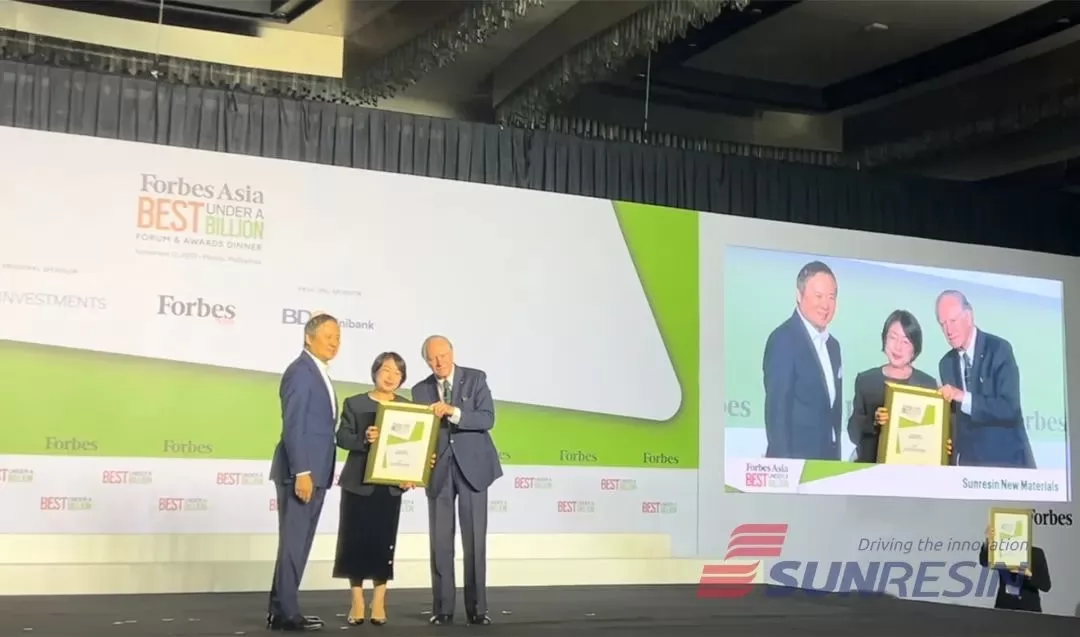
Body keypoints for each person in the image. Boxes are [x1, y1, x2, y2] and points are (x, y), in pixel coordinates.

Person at [412, 335, 502, 625]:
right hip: (439, 470)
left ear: (452, 353)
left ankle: (477, 609)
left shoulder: (476, 379)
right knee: (440, 542)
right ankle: (442, 608)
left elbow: (487, 418)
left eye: (443, 355)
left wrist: (454, 412)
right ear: (426, 361)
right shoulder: (420, 390)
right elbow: (419, 433)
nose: (439, 362)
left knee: (474, 541)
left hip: (473, 468)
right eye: (432, 358)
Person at [267, 313, 341, 632]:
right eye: (328, 336)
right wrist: (302, 471)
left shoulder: (318, 371)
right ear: (309, 338)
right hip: (302, 472)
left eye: (337, 337)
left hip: (317, 471)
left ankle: (282, 609)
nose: (334, 343)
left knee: (299, 543)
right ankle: (286, 612)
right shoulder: (300, 372)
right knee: (294, 543)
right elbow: (294, 425)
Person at [333, 352, 414, 627]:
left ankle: (379, 601)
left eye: (397, 373)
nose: (391, 377)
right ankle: (357, 600)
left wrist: (411, 474)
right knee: (354, 543)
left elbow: (413, 447)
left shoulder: (408, 408)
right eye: (386, 370)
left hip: (390, 485)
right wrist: (364, 438)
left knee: (383, 543)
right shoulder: (355, 403)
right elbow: (342, 437)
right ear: (375, 371)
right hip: (358, 484)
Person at [935, 290, 1035, 468]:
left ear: (969, 316)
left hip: (1008, 465)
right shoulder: (946, 363)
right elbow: (955, 419)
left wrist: (962, 397)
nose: (948, 330)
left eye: (953, 321)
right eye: (943, 324)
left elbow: (1009, 408)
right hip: (969, 468)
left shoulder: (999, 349)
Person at [762, 261, 843, 460]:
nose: (826, 305)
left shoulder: (833, 346)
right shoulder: (783, 339)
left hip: (826, 466)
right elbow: (777, 413)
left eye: (831, 297)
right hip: (794, 466)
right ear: (799, 295)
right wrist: (785, 469)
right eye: (819, 296)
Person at [847, 310, 938, 462]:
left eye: (905, 341)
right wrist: (874, 421)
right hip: (870, 466)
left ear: (915, 348)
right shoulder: (866, 381)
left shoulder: (927, 385)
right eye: (893, 338)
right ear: (884, 339)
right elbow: (853, 433)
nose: (898, 347)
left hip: (912, 467)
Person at [978, 524, 1050, 612]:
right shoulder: (1002, 552)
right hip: (1004, 608)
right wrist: (989, 540)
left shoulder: (1036, 553)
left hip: (1030, 610)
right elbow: (984, 562)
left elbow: (1046, 586)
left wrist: (1029, 575)